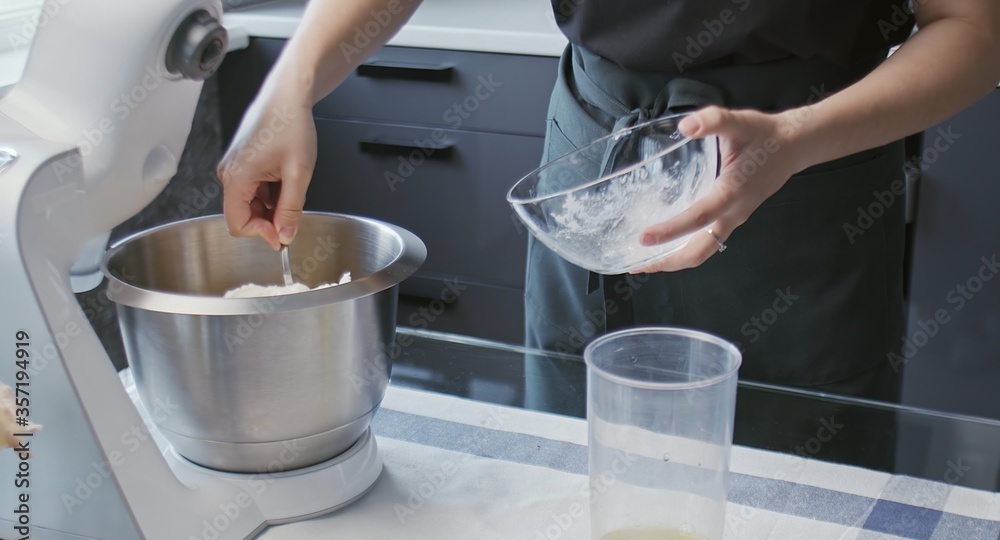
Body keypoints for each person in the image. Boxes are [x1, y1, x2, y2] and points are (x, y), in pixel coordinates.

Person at [218, 0, 1000, 404]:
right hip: (593, 171)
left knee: (798, 501)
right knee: (576, 479)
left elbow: (973, 28)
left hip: (804, 175)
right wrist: (289, 88)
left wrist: (794, 139)